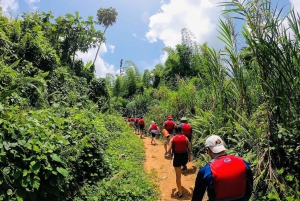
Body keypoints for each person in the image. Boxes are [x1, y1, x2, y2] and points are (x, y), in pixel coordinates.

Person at [191, 135, 253, 201]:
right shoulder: (243, 162)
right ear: (223, 147)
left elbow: (197, 197)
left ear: (207, 150)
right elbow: (250, 187)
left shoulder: (206, 170)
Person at [167, 124, 191, 198]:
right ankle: (184, 166)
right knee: (183, 163)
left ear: (174, 130)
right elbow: (189, 149)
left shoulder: (173, 139)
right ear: (181, 130)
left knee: (178, 177)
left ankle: (180, 193)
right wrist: (189, 157)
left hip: (177, 157)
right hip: (184, 158)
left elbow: (168, 150)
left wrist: (170, 155)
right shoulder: (186, 138)